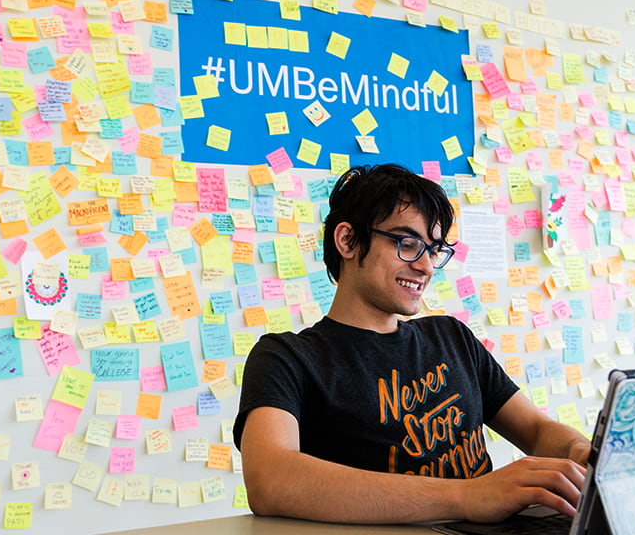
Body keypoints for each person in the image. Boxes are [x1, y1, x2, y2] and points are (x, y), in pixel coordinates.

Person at [233, 163, 591, 525]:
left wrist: (582, 453)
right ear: (347, 240)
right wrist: (468, 496)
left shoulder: (451, 337)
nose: (426, 266)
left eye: (433, 250)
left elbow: (536, 430)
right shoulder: (286, 357)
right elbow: (271, 480)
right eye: (407, 244)